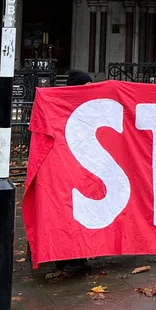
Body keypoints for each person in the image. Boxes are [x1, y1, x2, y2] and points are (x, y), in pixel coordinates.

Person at [57, 70, 94, 273]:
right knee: (67, 214)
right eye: (87, 87)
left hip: (82, 172)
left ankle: (79, 256)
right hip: (65, 172)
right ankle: (67, 259)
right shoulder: (61, 108)